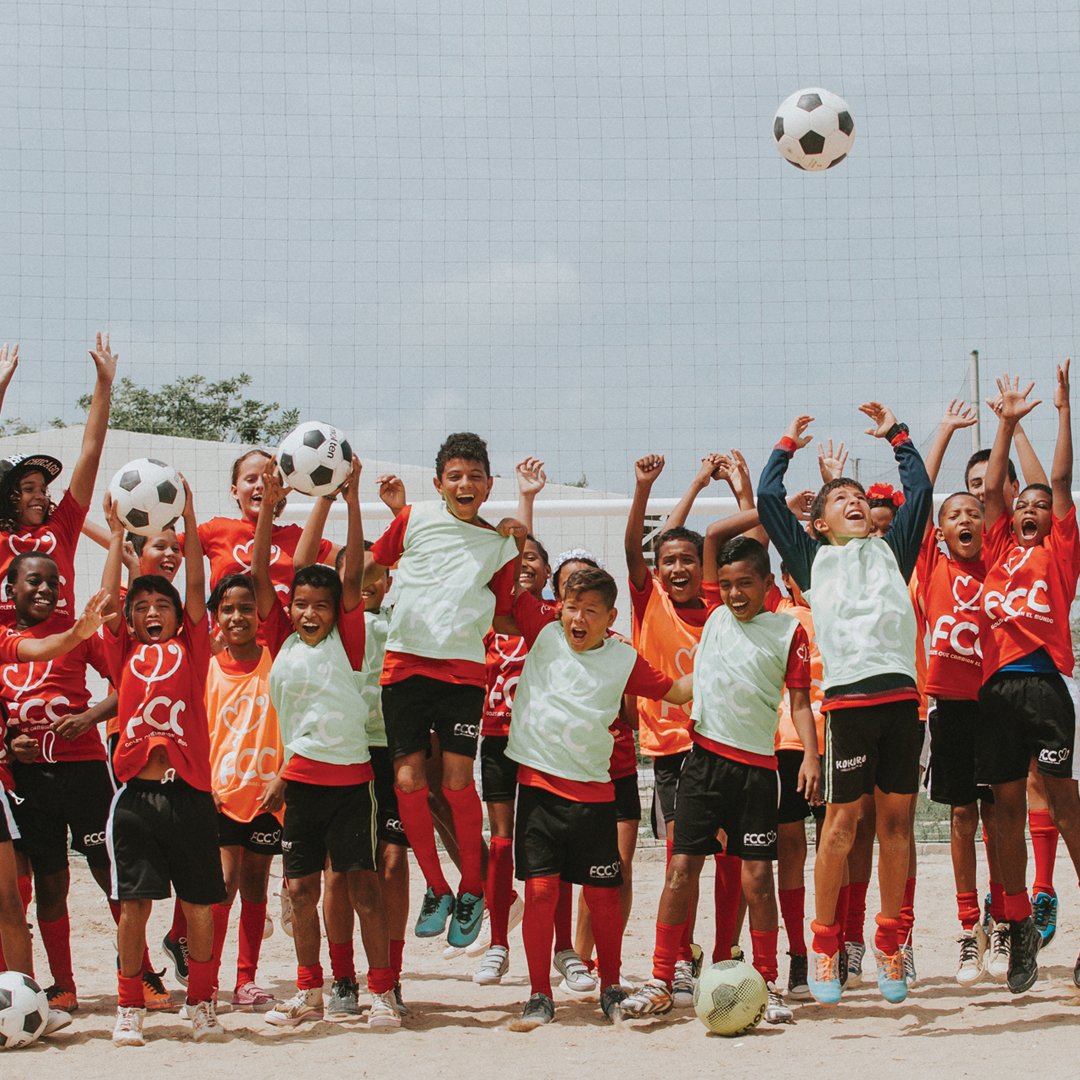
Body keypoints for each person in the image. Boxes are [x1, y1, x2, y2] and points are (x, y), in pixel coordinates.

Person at [757, 404, 932, 1006]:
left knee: (895, 828)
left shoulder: (894, 550)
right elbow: (767, 496)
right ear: (821, 521)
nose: (854, 501)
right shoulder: (812, 562)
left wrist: (897, 436)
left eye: (859, 496)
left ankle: (890, 941)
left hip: (901, 701)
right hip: (849, 706)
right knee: (840, 827)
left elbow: (921, 489)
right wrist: (787, 445)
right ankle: (826, 943)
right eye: (840, 500)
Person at [618, 536, 819, 1023]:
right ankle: (663, 979)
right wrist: (636, 678)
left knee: (757, 880)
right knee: (680, 870)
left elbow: (798, 703)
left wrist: (811, 755)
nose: (733, 593)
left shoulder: (788, 633)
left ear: (768, 584)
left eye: (745, 583)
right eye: (725, 584)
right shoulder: (713, 620)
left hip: (756, 771)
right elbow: (687, 687)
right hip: (702, 764)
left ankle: (768, 982)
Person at [503, 566, 692, 1028]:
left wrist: (724, 658)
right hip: (538, 790)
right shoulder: (543, 633)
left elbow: (677, 690)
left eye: (591, 611)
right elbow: (505, 593)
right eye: (572, 608)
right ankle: (538, 994)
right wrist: (511, 536)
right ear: (560, 608)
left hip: (594, 794)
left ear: (609, 617)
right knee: (542, 891)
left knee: (604, 895)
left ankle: (610, 985)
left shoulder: (623, 658)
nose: (578, 618)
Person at [253, 458, 400, 1029]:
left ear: (339, 607)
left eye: (321, 604)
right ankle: (309, 993)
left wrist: (354, 498)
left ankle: (383, 992)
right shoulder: (282, 643)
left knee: (363, 889)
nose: (310, 612)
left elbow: (356, 565)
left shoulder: (353, 636)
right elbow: (268, 576)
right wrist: (269, 507)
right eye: (301, 604)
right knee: (299, 891)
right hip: (301, 793)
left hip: (348, 785)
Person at [365, 432, 523, 949]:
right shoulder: (412, 521)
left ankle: (472, 888)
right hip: (405, 666)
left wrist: (520, 530)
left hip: (460, 672)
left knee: (455, 781)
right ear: (438, 484)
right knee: (408, 781)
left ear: (488, 485)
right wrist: (393, 512)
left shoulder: (499, 545)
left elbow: (503, 608)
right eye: (455, 476)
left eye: (475, 476)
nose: (465, 483)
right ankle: (438, 888)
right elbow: (377, 567)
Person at [99, 482, 227, 1046]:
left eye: (162, 606)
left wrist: (193, 520)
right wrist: (116, 537)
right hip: (136, 800)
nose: (153, 612)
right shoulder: (124, 651)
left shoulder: (193, 648)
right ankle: (129, 1006)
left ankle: (201, 1004)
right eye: (142, 607)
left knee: (198, 904)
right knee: (135, 905)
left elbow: (197, 585)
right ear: (132, 618)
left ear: (179, 616)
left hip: (190, 796)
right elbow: (109, 598)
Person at [976, 365, 1080, 994]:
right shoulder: (997, 549)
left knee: (1064, 803)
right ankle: (1017, 930)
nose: (1031, 509)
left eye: (1040, 506)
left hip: (1044, 687)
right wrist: (1006, 425)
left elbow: (1059, 480)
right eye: (1024, 505)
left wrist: (1062, 411)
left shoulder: (1058, 552)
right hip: (996, 692)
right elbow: (992, 494)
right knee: (1003, 812)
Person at [0, 553, 118, 1013]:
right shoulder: (7, 641)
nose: (46, 588)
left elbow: (129, 683)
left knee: (112, 875)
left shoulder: (79, 631)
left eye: (54, 581)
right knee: (51, 883)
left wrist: (88, 716)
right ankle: (63, 986)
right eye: (34, 580)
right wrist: (13, 740)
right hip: (31, 779)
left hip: (85, 769)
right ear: (11, 591)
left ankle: (142, 973)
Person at [474, 457, 548, 987]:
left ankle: (560, 950)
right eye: (516, 560)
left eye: (533, 560)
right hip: (497, 738)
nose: (524, 564)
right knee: (500, 841)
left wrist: (527, 502)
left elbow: (523, 544)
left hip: (544, 743)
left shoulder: (551, 616)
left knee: (544, 842)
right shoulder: (482, 615)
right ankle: (497, 942)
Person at [204, 572, 284, 1009]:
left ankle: (245, 980)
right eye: (228, 609)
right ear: (216, 616)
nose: (238, 616)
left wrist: (284, 775)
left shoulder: (279, 662)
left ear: (259, 615)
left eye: (246, 608)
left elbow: (295, 723)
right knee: (222, 886)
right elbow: (198, 732)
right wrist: (204, 785)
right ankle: (209, 981)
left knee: (255, 887)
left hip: (268, 796)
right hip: (220, 795)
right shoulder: (208, 669)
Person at [0, 333, 116, 623]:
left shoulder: (60, 528)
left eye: (43, 488)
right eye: (28, 488)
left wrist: (104, 384)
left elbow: (90, 454)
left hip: (58, 655)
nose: (40, 495)